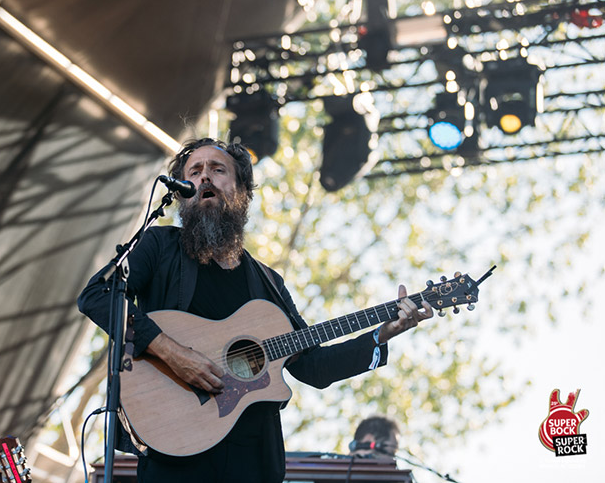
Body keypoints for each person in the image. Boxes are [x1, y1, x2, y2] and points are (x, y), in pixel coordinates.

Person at [77, 138, 433, 483]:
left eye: (217, 170)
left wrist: (380, 334)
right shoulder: (159, 246)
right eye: (195, 170)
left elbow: (313, 367)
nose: (204, 177)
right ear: (183, 189)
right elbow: (97, 295)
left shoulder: (268, 283)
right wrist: (172, 352)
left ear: (242, 192)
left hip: (253, 462)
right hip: (176, 453)